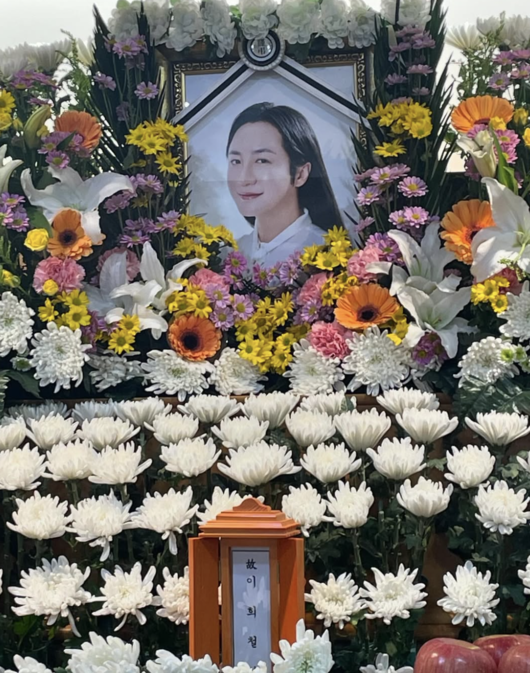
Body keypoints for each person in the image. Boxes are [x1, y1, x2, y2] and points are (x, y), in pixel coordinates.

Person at [226, 102, 343, 268]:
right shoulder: (229, 254)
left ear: (300, 174)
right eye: (236, 161)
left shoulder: (328, 255)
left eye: (262, 160)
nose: (243, 179)